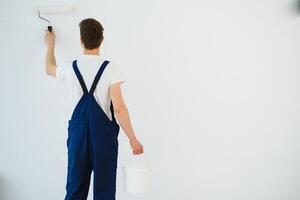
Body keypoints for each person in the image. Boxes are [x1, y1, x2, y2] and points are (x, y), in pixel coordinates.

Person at [44, 18, 144, 200]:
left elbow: (49, 69)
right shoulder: (111, 68)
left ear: (81, 40)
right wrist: (133, 139)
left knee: (75, 190)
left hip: (78, 136)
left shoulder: (70, 67)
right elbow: (120, 108)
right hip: (104, 137)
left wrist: (50, 45)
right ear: (102, 40)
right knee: (104, 191)